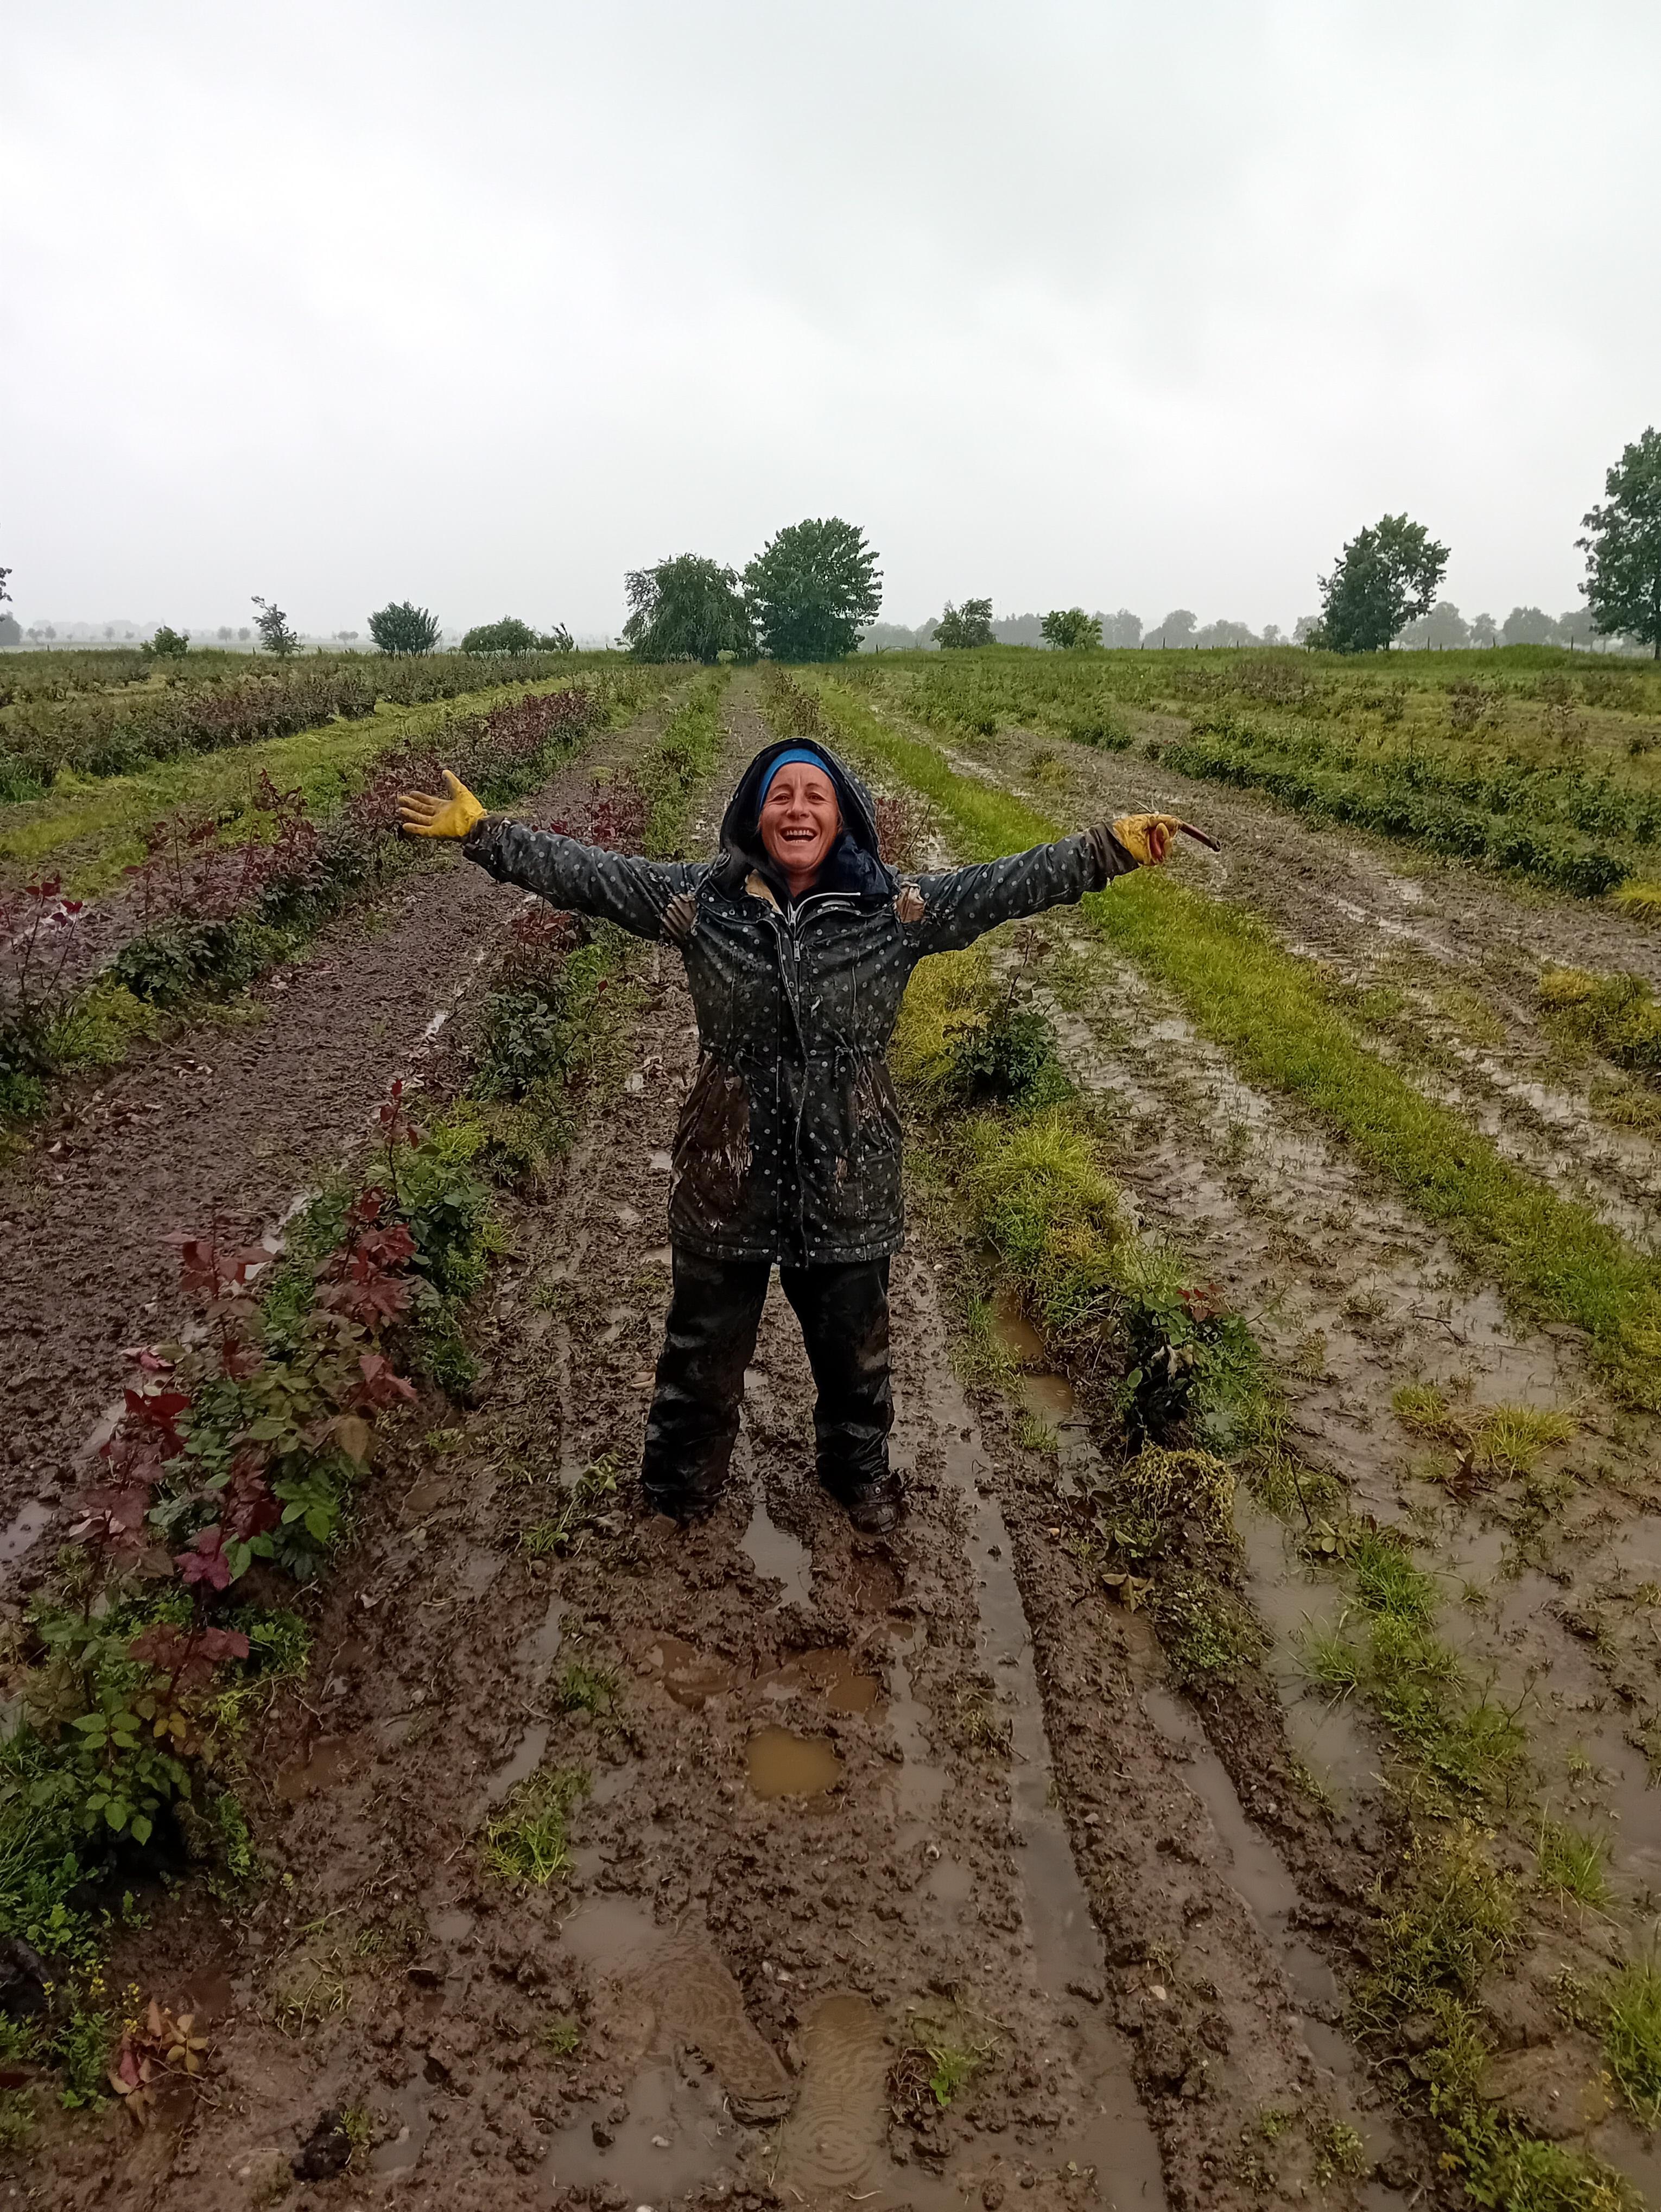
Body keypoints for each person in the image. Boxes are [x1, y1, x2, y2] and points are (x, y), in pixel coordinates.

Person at [397, 738, 1214, 1535]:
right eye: (780, 796)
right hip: (727, 1169)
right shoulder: (702, 904)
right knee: (700, 1355)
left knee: (855, 1354)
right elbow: (594, 876)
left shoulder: (896, 912)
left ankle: (857, 1473)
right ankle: (681, 1487)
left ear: (841, 816)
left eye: (814, 796)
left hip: (850, 1172)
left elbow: (1005, 886)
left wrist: (1105, 850)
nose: (796, 809)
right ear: (756, 815)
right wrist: (485, 835)